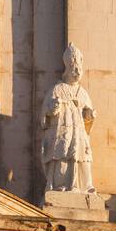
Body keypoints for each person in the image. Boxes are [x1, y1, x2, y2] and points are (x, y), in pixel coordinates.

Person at [40, 44, 96, 193]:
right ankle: (60, 185)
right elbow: (45, 114)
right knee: (62, 156)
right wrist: (53, 109)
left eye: (79, 68)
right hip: (62, 133)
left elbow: (88, 117)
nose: (77, 72)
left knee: (83, 157)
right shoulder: (57, 89)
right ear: (67, 69)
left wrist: (89, 115)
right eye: (74, 68)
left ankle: (85, 185)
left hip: (79, 133)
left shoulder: (82, 92)